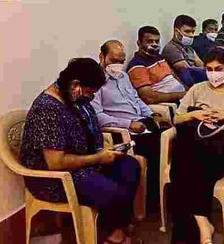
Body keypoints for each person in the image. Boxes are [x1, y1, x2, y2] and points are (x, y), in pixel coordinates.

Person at [20, 58, 141, 244]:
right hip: (56, 178)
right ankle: (115, 235)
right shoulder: (48, 109)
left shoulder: (74, 98)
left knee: (130, 166)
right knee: (111, 191)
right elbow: (56, 163)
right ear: (76, 84)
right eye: (90, 93)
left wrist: (104, 151)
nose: (91, 98)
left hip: (85, 163)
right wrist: (98, 158)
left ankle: (117, 224)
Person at [170, 48, 224, 244]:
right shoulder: (197, 89)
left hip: (223, 149)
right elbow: (177, 119)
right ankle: (203, 224)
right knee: (186, 146)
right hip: (197, 148)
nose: (213, 73)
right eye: (209, 69)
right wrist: (196, 114)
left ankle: (193, 230)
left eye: (218, 68)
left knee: (183, 167)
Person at [92, 41, 166, 209]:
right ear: (102, 57)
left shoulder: (123, 76)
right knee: (157, 146)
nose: (118, 65)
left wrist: (151, 114)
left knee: (174, 136)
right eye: (114, 60)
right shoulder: (95, 82)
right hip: (121, 131)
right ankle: (152, 200)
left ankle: (166, 191)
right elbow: (98, 116)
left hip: (141, 123)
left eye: (121, 61)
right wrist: (129, 124)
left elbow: (136, 99)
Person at [127, 26, 187, 105]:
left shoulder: (159, 57)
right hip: (172, 102)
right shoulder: (137, 65)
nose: (154, 44)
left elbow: (173, 76)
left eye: (157, 41)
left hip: (184, 97)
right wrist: (182, 95)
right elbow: (149, 98)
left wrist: (188, 90)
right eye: (149, 41)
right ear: (139, 43)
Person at [163, 15, 206, 86]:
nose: (192, 35)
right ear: (176, 31)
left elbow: (201, 64)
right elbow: (188, 71)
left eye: (193, 32)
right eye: (187, 31)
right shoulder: (171, 48)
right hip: (184, 85)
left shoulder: (189, 48)